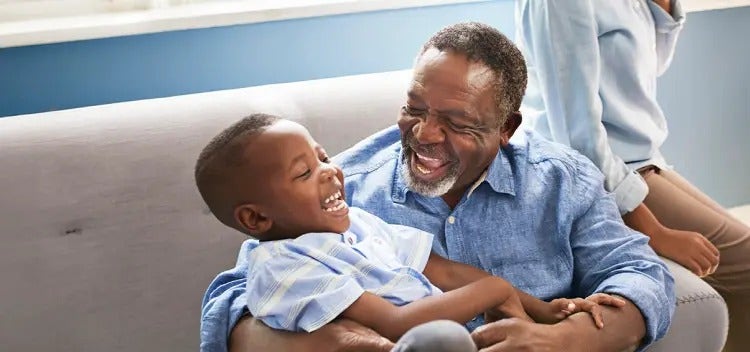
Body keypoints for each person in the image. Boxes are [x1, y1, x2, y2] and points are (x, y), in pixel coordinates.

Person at [200, 22, 675, 352]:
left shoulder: (561, 182)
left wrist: (567, 340)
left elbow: (641, 273)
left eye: (455, 121)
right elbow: (240, 295)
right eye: (415, 108)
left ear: (506, 128)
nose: (425, 134)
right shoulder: (341, 194)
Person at [194, 114, 621, 351]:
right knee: (444, 339)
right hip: (404, 341)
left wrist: (541, 310)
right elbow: (396, 324)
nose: (330, 172)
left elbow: (442, 271)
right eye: (305, 172)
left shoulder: (357, 224)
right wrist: (493, 289)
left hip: (434, 338)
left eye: (323, 157)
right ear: (255, 220)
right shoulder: (283, 267)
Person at [515, 1, 750, 349]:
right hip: (594, 172)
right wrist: (653, 230)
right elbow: (577, 139)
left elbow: (648, 64)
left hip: (642, 161)